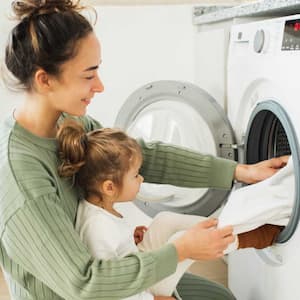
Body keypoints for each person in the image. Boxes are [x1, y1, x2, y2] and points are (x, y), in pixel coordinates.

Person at [0, 0, 288, 299]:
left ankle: (244, 235)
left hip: (112, 270)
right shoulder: (21, 177)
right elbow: (84, 284)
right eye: (88, 75)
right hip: (92, 291)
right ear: (44, 80)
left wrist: (239, 171)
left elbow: (137, 157)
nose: (100, 86)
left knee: (219, 296)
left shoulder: (68, 123)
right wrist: (179, 250)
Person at [57, 120, 285, 300]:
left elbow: (115, 256)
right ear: (109, 187)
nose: (141, 178)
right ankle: (255, 235)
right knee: (180, 239)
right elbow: (108, 293)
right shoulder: (97, 227)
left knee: (164, 220)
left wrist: (132, 242)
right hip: (138, 289)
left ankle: (231, 224)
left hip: (137, 268)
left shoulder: (100, 209)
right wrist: (151, 299)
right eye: (136, 175)